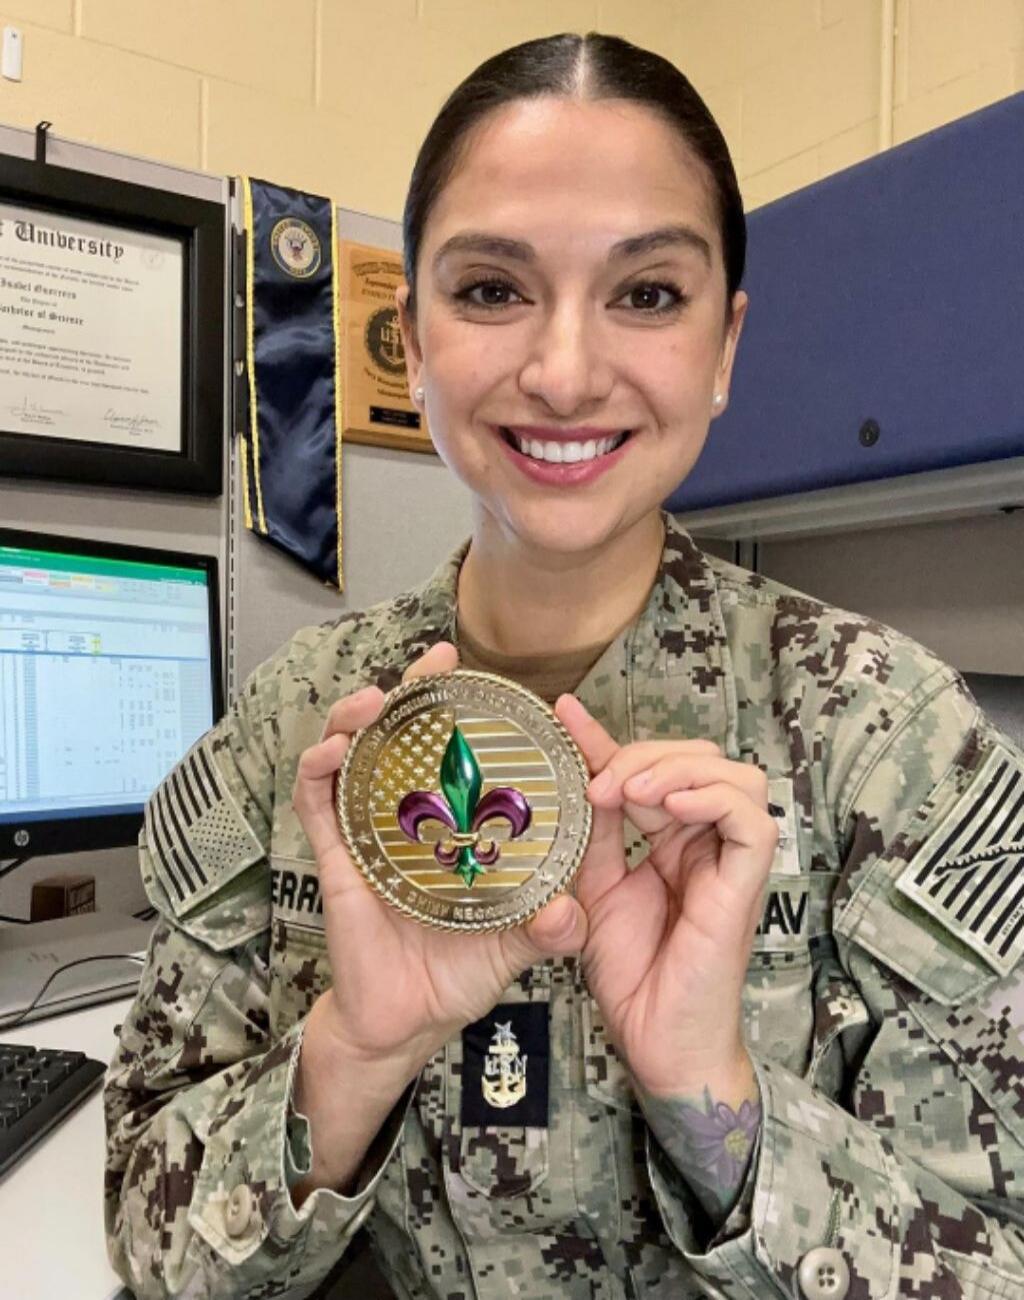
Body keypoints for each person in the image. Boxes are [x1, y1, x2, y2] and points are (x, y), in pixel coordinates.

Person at [104, 30, 1024, 1300]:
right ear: (411, 338)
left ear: (722, 348)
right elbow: (149, 1246)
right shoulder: (292, 727)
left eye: (647, 292)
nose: (566, 371)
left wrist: (716, 1100)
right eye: (491, 288)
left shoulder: (890, 737)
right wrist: (353, 1053)